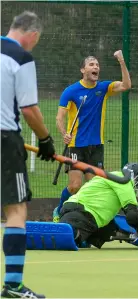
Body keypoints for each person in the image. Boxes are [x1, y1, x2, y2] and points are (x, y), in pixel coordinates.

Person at [1, 11, 55, 298]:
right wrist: (45, 140)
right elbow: (29, 109)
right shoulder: (21, 57)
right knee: (16, 210)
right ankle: (12, 286)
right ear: (32, 35)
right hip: (4, 138)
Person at [53, 50, 131, 222]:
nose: (95, 67)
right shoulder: (71, 91)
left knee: (94, 187)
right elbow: (60, 117)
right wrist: (64, 133)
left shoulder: (103, 88)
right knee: (74, 186)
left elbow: (126, 85)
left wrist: (122, 62)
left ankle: (85, 219)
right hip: (76, 145)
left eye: (97, 65)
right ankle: (58, 211)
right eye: (91, 64)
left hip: (96, 146)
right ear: (83, 70)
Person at [58, 163, 138, 248]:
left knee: (106, 232)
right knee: (65, 239)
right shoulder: (125, 182)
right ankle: (66, 233)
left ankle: (75, 235)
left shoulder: (107, 176)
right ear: (135, 176)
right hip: (84, 214)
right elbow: (132, 216)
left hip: (69, 208)